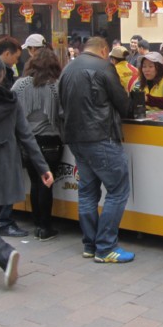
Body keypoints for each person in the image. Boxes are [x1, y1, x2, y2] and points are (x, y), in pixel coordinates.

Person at [0, 55, 53, 285]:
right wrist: (42, 167)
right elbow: (26, 136)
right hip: (6, 168)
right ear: (3, 74)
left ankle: (4, 254)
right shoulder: (12, 100)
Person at [58, 36, 135, 263]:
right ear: (104, 50)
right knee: (118, 190)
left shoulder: (67, 68)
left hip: (75, 139)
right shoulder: (104, 68)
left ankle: (90, 245)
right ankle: (106, 247)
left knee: (87, 192)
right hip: (101, 137)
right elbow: (124, 104)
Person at [13, 48, 65, 241]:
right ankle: (45, 226)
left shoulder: (20, 85)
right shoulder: (55, 86)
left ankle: (36, 223)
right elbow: (62, 113)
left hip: (27, 141)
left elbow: (11, 108)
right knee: (47, 184)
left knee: (35, 182)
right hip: (50, 140)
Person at [0, 37, 26, 236]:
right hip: (3, 138)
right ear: (7, 53)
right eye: (15, 56)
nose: (16, 60)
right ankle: (3, 221)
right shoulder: (1, 73)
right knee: (6, 179)